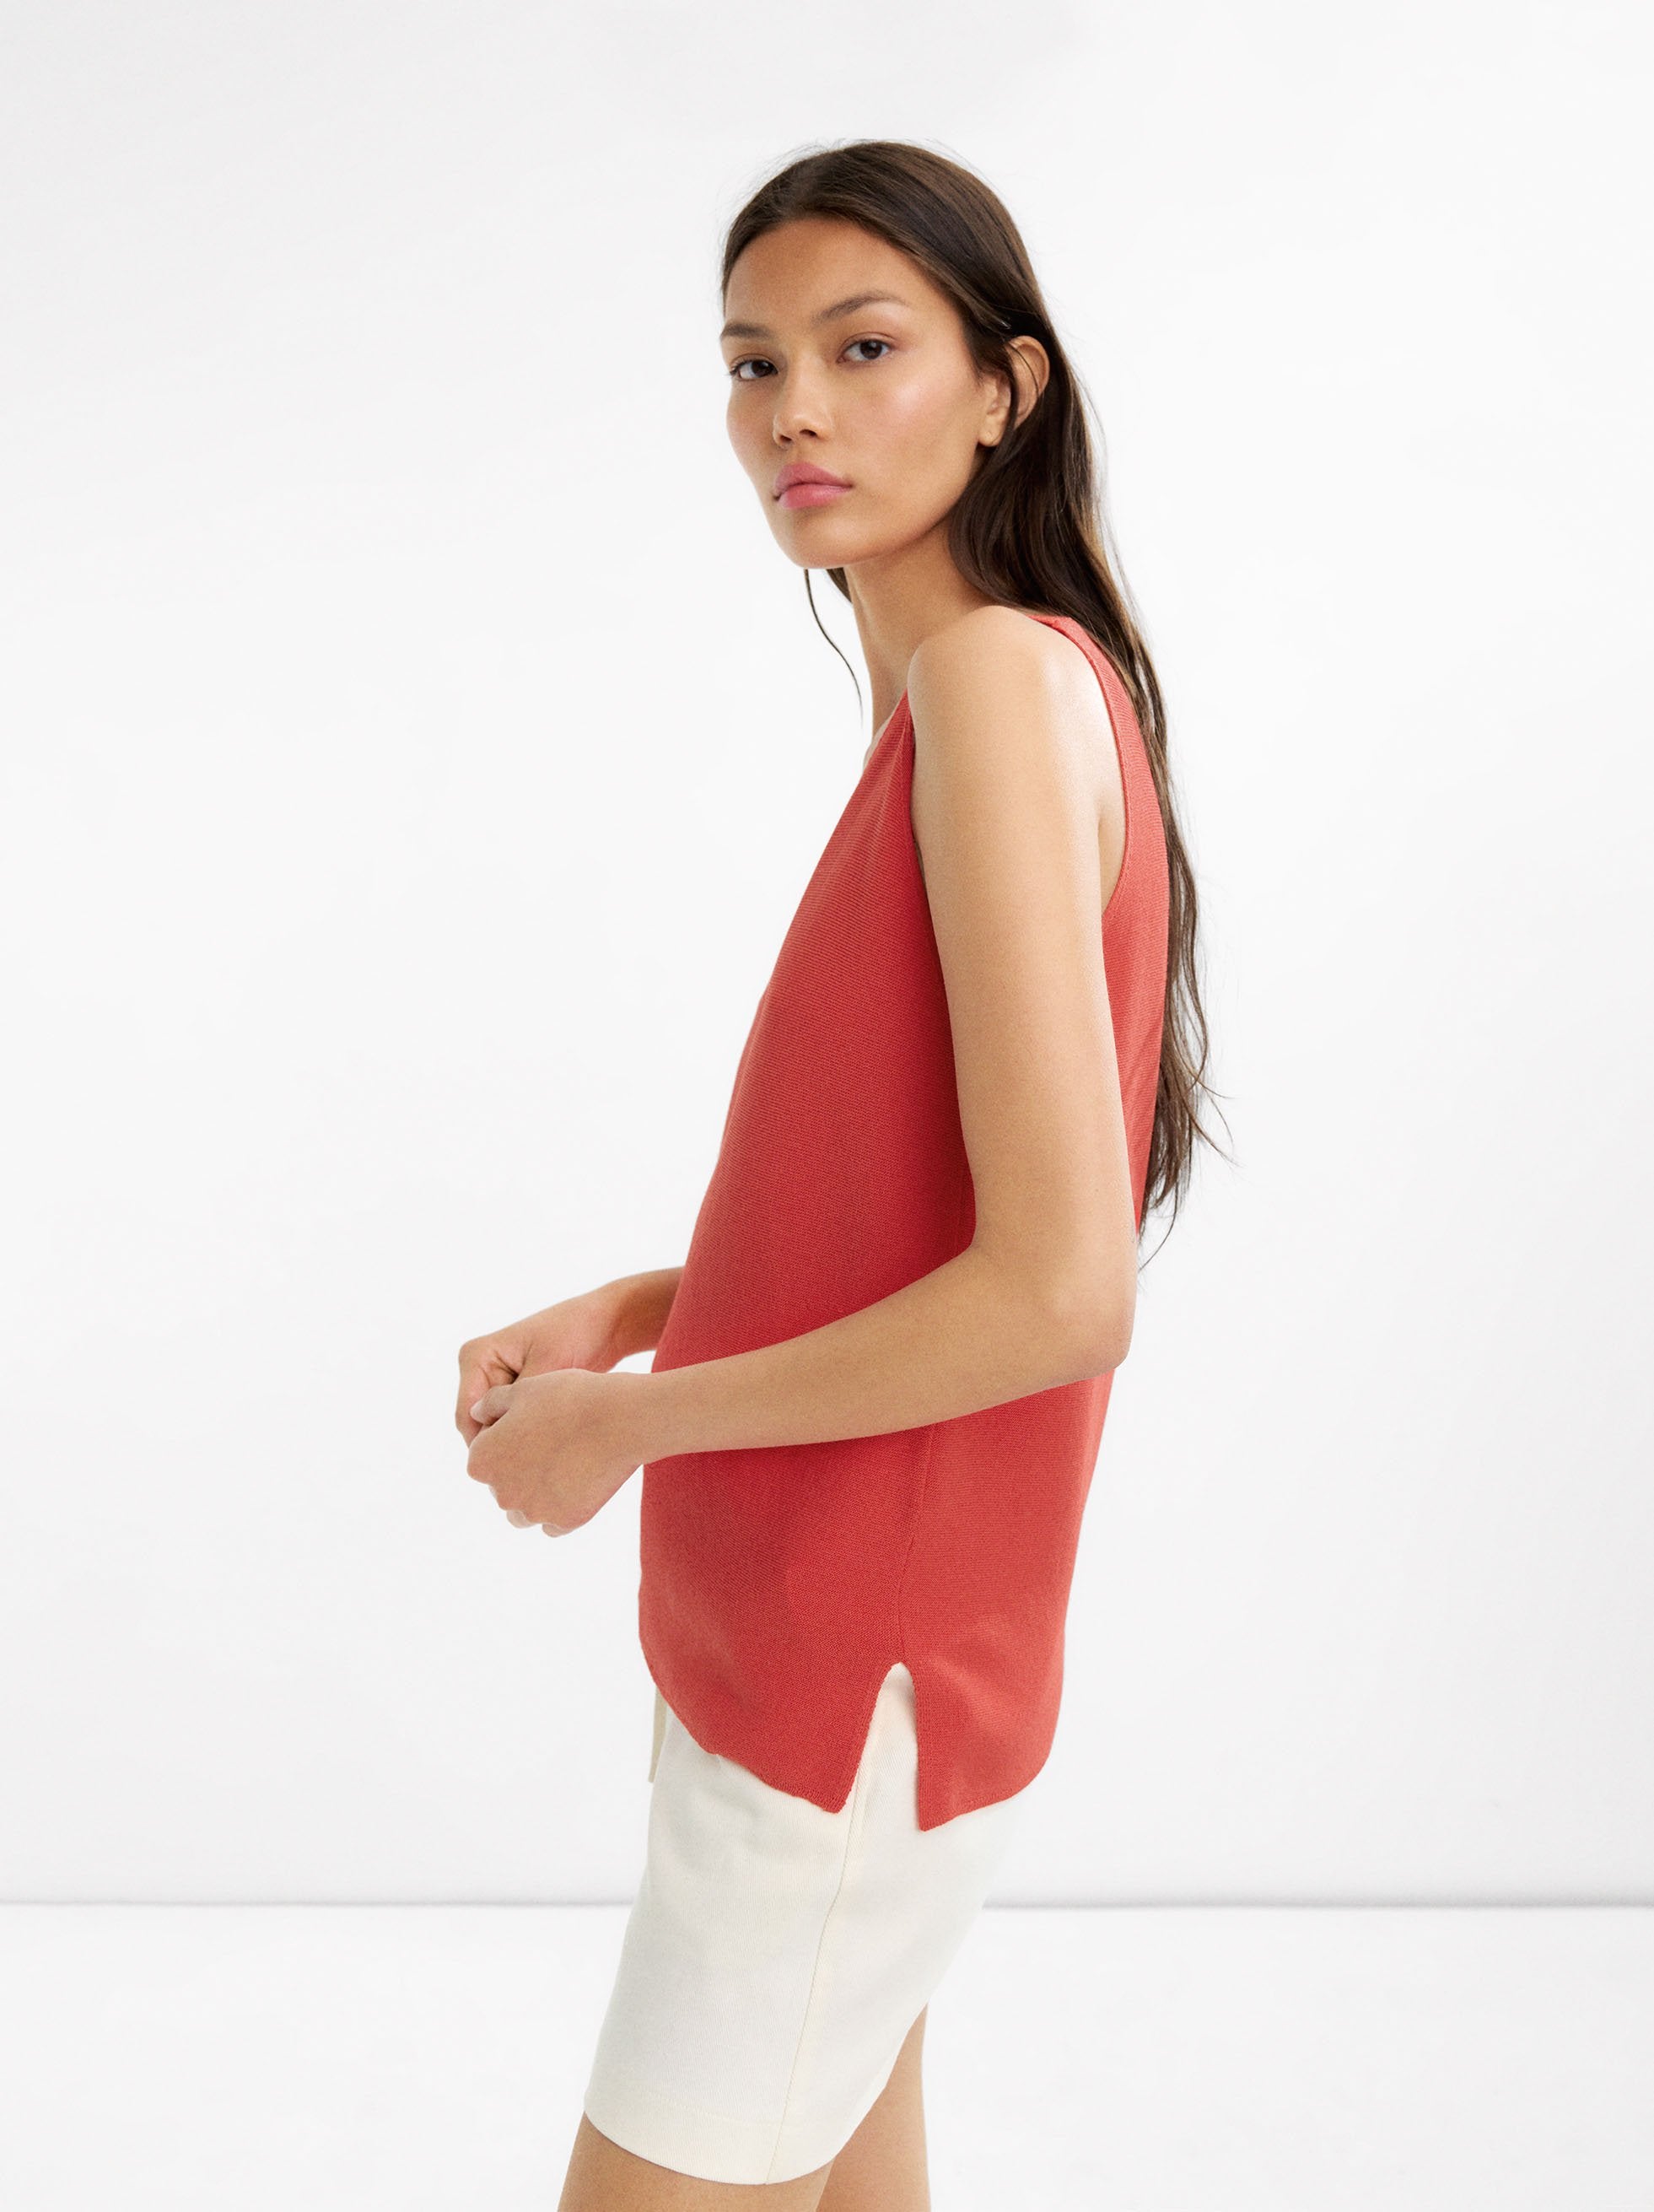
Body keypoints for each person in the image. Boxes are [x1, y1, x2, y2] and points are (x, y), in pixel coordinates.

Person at [455, 139, 1224, 2212]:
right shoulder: (971, 701)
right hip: (825, 1665)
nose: (793, 408)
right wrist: (643, 1312)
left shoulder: (991, 685)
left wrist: (630, 1427)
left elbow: (1063, 1291)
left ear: (1006, 389)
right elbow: (919, 1205)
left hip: (845, 1679)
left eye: (863, 348)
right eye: (753, 362)